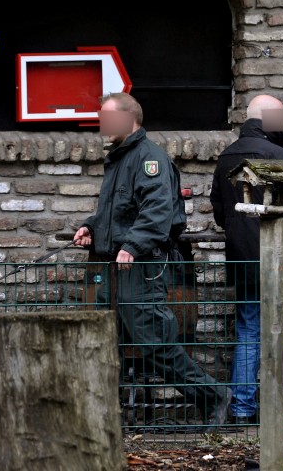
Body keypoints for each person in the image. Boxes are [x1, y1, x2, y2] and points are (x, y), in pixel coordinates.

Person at [73, 92, 232, 430]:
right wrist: (91, 226)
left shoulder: (150, 160)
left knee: (155, 344)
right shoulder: (120, 158)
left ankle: (213, 394)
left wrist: (132, 245)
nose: (102, 125)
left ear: (130, 119)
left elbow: (157, 211)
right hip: (113, 268)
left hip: (139, 268)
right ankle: (102, 419)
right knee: (102, 340)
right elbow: (116, 212)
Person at [210, 94, 283, 426]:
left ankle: (242, 410)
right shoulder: (280, 155)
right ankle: (282, 409)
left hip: (243, 260)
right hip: (280, 258)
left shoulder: (227, 157)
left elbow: (220, 213)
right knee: (282, 333)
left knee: (247, 331)